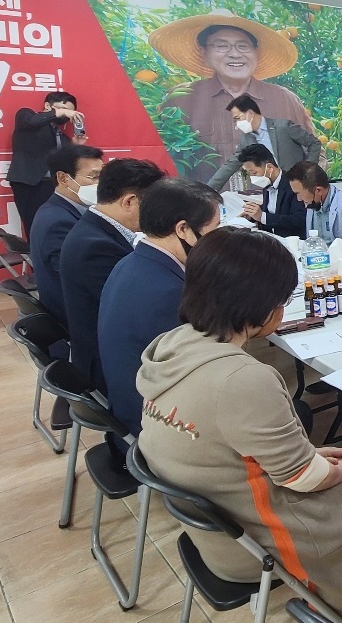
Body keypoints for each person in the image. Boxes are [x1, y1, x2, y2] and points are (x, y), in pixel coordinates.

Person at [136, 227, 342, 621]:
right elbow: (301, 478)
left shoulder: (172, 345)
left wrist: (311, 456)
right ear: (263, 307)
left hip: (216, 527)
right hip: (255, 541)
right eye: (283, 300)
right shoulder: (242, 379)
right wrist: (340, 468)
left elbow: (232, 444)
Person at [98, 178, 221, 456]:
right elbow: (197, 376)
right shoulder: (167, 291)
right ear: (183, 230)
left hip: (127, 408)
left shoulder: (131, 263)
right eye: (213, 231)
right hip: (156, 427)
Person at [149, 10, 313, 183]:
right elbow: (163, 158)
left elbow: (313, 151)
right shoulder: (180, 100)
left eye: (243, 46)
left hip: (273, 206)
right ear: (204, 52)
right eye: (221, 45)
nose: (235, 54)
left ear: (256, 52)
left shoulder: (284, 100)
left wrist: (297, 193)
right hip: (205, 206)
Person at [59, 158, 167, 397]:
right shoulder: (96, 248)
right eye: (152, 205)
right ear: (129, 201)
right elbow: (136, 312)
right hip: (109, 366)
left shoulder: (95, 229)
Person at [29, 144, 104, 328]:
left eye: (103, 176)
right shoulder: (58, 222)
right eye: (93, 177)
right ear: (63, 178)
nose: (100, 184)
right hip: (74, 316)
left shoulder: (61, 209)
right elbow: (77, 278)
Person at [7, 91, 87, 234]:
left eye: (70, 112)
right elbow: (31, 122)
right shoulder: (26, 114)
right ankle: (35, 255)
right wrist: (58, 112)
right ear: (47, 105)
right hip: (29, 183)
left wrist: (75, 145)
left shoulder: (61, 136)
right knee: (34, 225)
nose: (66, 115)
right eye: (64, 109)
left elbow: (65, 160)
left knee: (52, 225)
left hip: (52, 185)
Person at [207, 94, 321, 191]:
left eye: (237, 118)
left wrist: (307, 171)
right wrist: (208, 190)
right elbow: (230, 165)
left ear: (250, 113)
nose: (236, 124)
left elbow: (314, 143)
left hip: (298, 185)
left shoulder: (283, 127)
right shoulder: (246, 139)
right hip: (272, 189)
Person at [236, 144, 307, 238]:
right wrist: (253, 216)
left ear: (269, 168)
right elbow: (273, 210)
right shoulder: (267, 184)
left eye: (254, 173)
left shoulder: (292, 185)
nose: (252, 177)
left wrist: (262, 216)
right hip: (270, 240)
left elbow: (299, 219)